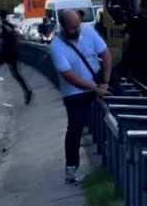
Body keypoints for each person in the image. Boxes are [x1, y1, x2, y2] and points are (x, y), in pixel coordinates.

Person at [50, 9, 112, 183]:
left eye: (78, 26)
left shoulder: (87, 30)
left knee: (117, 112)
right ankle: (71, 167)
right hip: (75, 92)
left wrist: (105, 81)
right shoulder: (56, 46)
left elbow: (105, 54)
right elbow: (69, 76)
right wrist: (95, 89)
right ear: (62, 26)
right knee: (75, 127)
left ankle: (116, 155)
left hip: (98, 81)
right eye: (72, 28)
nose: (77, 30)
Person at [110, 0, 147, 87]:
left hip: (131, 60)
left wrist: (124, 56)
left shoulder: (134, 22)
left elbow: (126, 40)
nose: (137, 9)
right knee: (144, 88)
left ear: (144, 9)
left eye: (139, 6)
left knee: (111, 77)